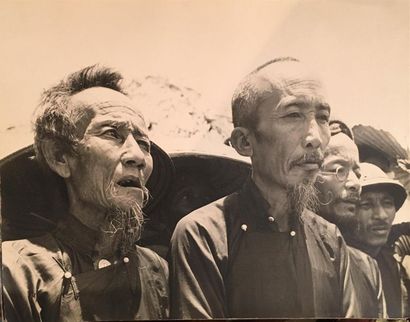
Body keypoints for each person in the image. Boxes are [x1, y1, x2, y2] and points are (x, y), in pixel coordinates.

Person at [169, 57, 359, 318]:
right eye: (293, 115)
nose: (315, 138)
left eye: (323, 117)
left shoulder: (331, 240)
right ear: (245, 142)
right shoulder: (203, 236)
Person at [2, 65, 171, 321]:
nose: (137, 156)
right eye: (112, 133)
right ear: (61, 158)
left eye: (143, 143)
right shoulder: (16, 271)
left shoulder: (157, 270)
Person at [315, 120, 386, 317]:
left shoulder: (367, 268)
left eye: (357, 172)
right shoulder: (278, 253)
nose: (355, 184)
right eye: (339, 170)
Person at [352, 162, 409, 317]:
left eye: (387, 203)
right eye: (366, 205)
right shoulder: (338, 265)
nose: (381, 215)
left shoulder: (393, 265)